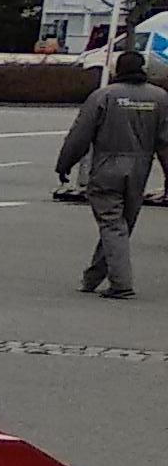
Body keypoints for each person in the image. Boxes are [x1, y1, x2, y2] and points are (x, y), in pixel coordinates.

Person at [55, 45, 168, 296]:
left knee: (112, 224)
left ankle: (121, 284)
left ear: (117, 69)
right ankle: (92, 278)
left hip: (107, 166)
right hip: (140, 170)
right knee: (119, 225)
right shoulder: (160, 98)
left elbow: (79, 136)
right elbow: (165, 143)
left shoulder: (103, 96)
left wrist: (65, 164)